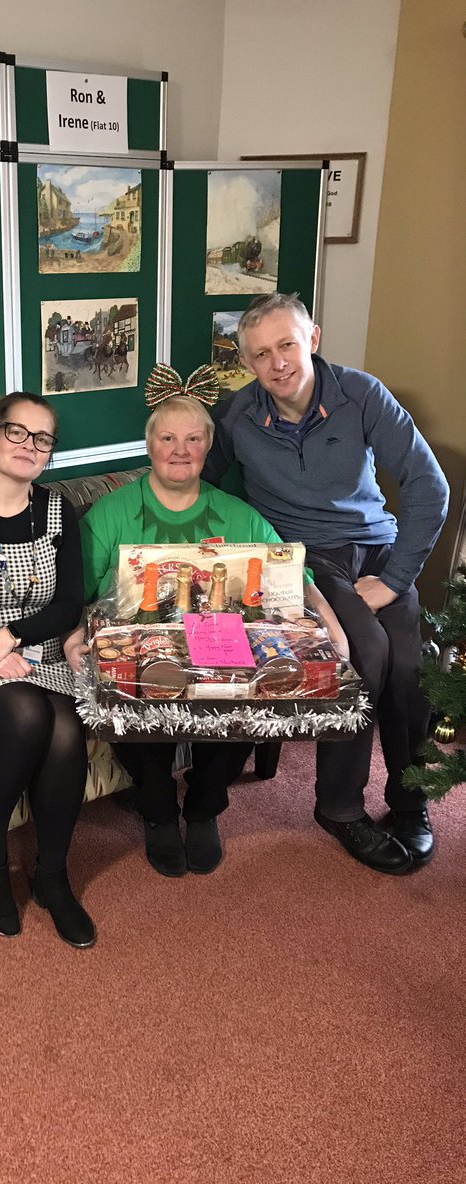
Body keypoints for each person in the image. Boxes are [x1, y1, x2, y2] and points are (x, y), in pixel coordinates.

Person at [203, 293, 450, 874]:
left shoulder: (361, 394)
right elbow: (195, 483)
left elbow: (429, 488)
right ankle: (338, 807)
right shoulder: (237, 415)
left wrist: (393, 581)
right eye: (261, 354)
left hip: (377, 548)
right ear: (248, 363)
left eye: (287, 344)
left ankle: (410, 801)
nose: (278, 363)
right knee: (366, 654)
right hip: (304, 560)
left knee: (410, 672)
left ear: (312, 339)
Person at [65, 376, 346, 876]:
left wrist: (331, 624)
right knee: (126, 696)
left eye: (193, 438)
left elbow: (290, 573)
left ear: (207, 446)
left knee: (246, 697)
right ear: (149, 445)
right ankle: (156, 813)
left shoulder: (237, 513)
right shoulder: (112, 513)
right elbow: (77, 590)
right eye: (167, 438)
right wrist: (74, 634)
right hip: (137, 645)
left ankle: (203, 808)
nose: (180, 450)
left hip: (222, 646)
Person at [0, 392, 95, 949]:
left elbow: (68, 602)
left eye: (42, 438)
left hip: (41, 654)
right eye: (16, 432)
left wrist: (12, 636)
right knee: (30, 714)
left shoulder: (57, 510)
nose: (29, 446)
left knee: (63, 726)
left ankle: (52, 875)